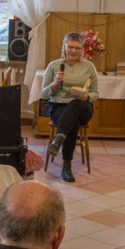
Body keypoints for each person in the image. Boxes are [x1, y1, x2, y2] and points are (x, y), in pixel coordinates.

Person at [40, 32, 100, 182]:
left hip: (83, 107)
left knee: (76, 105)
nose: (73, 51)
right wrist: (54, 84)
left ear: (82, 50)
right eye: (70, 47)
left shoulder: (89, 67)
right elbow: (43, 94)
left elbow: (95, 92)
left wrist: (87, 97)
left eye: (77, 48)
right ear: (64, 47)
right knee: (71, 122)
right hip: (59, 107)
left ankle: (59, 139)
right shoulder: (54, 66)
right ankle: (66, 166)